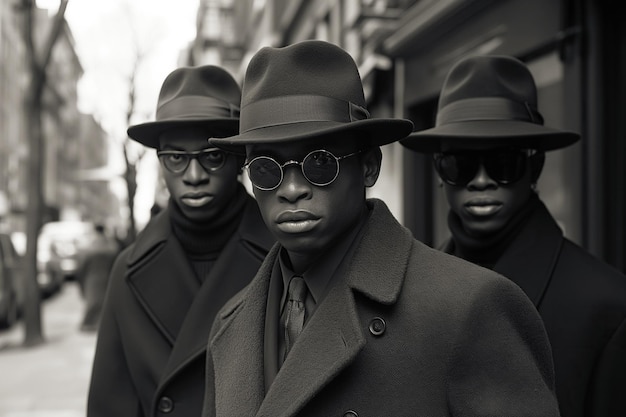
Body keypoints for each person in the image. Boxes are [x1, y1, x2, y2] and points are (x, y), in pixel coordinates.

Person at [201, 40, 560, 417]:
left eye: (320, 163)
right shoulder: (231, 326)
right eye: (266, 169)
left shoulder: (469, 308)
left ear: (369, 166)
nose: (291, 190)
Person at [400, 54, 626, 417]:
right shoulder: (409, 294)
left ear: (534, 167)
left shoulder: (608, 308)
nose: (481, 180)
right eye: (460, 164)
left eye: (504, 163)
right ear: (439, 171)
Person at [87, 65, 275, 417]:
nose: (193, 176)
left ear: (240, 158)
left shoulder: (285, 256)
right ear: (159, 161)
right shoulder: (127, 271)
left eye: (213, 156)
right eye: (175, 158)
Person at [77, 223, 119, 332]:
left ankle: (88, 324)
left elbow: (82, 267)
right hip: (107, 277)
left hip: (92, 279)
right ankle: (100, 324)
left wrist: (80, 282)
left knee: (92, 302)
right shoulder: (111, 245)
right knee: (104, 303)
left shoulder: (90, 247)